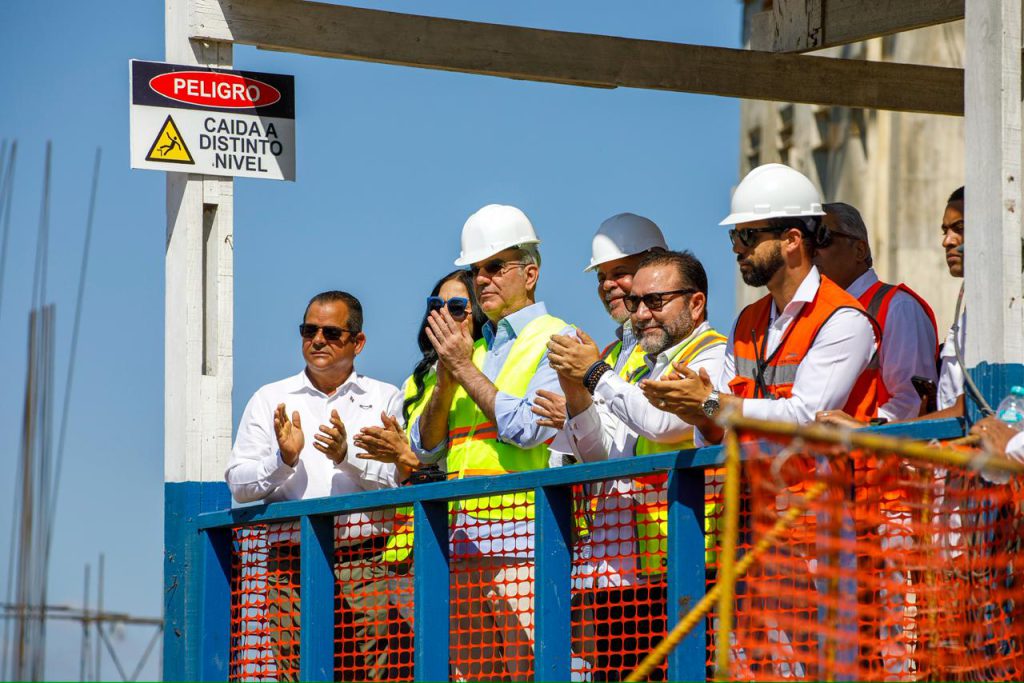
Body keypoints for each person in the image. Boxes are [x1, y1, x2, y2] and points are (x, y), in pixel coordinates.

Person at [540, 250, 725, 679]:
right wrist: (578, 397)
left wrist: (595, 375)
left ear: (696, 303)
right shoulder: (642, 366)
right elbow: (604, 454)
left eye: (655, 302)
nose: (641, 314)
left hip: (693, 559)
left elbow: (663, 423)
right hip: (634, 564)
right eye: (637, 302)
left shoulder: (712, 354)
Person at [410, 204, 573, 680]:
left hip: (526, 542)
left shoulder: (557, 338)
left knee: (532, 673)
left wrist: (462, 368)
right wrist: (447, 376)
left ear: (530, 273)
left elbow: (528, 429)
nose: (482, 279)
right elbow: (425, 448)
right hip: (464, 545)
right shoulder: (473, 349)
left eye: (495, 266)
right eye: (476, 269)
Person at [225, 290, 407, 681]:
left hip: (366, 562)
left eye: (331, 332)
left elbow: (400, 480)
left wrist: (347, 456)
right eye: (309, 331)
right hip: (292, 565)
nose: (318, 340)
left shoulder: (386, 397)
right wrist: (283, 460)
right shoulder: (270, 398)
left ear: (358, 342)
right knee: (297, 671)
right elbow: (238, 483)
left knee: (376, 671)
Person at [640, 163, 879, 442]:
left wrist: (711, 401)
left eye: (748, 236)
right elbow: (724, 430)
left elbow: (806, 417)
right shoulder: (747, 322)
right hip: (753, 472)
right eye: (734, 235)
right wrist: (701, 416)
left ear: (791, 239)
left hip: (819, 472)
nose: (737, 248)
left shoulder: (843, 320)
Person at [813, 202, 939, 427]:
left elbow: (911, 402)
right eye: (808, 241)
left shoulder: (898, 307)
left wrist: (860, 428)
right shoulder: (814, 312)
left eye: (822, 238)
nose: (812, 252)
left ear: (859, 250)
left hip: (875, 447)